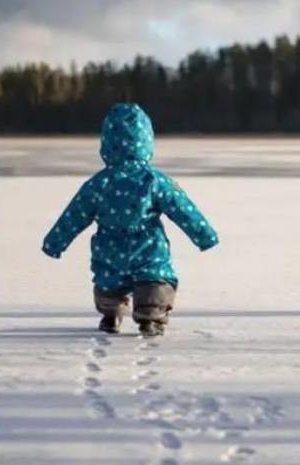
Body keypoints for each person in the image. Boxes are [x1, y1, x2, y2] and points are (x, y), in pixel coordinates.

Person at [42, 103, 219, 336]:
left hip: (109, 249)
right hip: (147, 248)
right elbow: (183, 208)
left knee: (109, 283)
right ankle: (150, 316)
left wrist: (55, 242)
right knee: (154, 281)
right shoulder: (153, 180)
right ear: (146, 141)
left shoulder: (99, 183)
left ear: (106, 143)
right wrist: (204, 235)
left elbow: (75, 214)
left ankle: (110, 312)